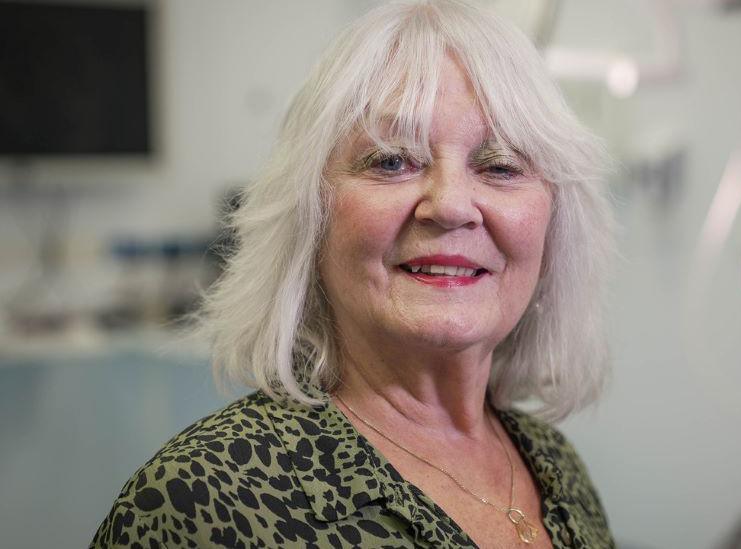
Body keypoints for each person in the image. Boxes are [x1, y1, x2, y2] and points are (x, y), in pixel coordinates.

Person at [92, 0, 615, 547]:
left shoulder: (557, 469)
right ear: (311, 221)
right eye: (391, 161)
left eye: (501, 166)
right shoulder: (198, 503)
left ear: (554, 231)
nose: (452, 204)